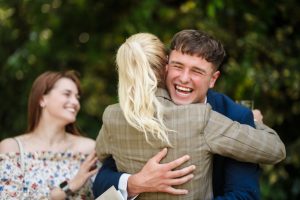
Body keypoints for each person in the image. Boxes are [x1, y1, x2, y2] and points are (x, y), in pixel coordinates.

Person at [94, 33, 285, 199]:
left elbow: (244, 196)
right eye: (178, 66)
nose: (184, 78)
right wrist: (134, 183)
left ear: (213, 79)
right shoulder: (130, 113)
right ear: (166, 66)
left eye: (196, 71)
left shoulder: (235, 116)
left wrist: (255, 123)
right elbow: (101, 180)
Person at [0, 70, 98, 199]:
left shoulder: (89, 149)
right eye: (67, 94)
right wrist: (66, 189)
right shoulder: (13, 148)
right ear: (42, 99)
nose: (75, 103)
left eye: (77, 97)